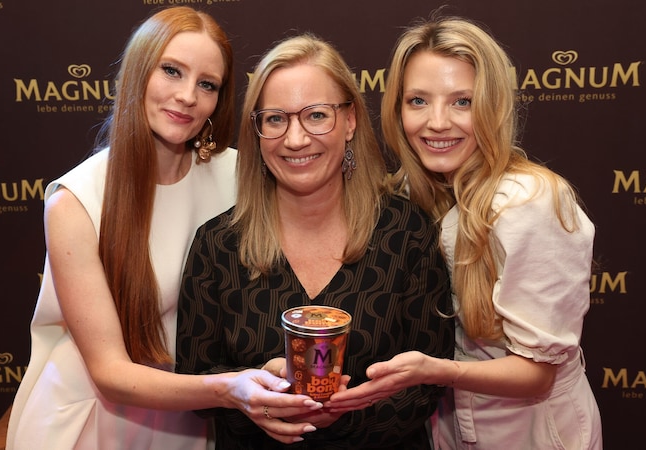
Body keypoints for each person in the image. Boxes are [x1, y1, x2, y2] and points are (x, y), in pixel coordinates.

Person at [6, 7, 322, 450]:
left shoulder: (237, 175)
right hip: (95, 423)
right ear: (138, 72)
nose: (188, 96)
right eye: (172, 71)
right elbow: (111, 374)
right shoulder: (76, 200)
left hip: (193, 418)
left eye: (206, 84)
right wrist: (230, 389)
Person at [328, 14, 603, 450]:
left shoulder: (529, 202)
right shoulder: (403, 194)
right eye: (418, 100)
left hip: (533, 431)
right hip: (447, 426)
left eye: (462, 102)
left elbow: (536, 372)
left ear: (492, 106)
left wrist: (435, 371)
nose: (437, 122)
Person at [174, 33, 454, 449]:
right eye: (275, 119)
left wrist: (335, 417)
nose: (296, 139)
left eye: (316, 115)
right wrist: (250, 393)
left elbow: (429, 383)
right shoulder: (217, 245)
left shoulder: (406, 232)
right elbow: (195, 384)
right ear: (256, 132)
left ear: (350, 121)